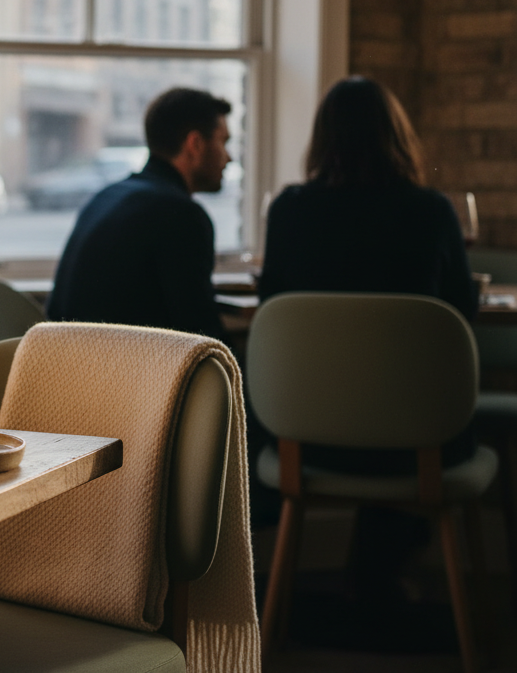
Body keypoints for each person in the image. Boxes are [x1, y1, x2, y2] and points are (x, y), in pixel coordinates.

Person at [258, 75, 479, 608]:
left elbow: (273, 301)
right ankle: (383, 578)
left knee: (366, 402)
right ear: (395, 136)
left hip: (305, 439)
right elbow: (460, 316)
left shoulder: (290, 210)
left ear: (322, 138)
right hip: (418, 446)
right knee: (405, 402)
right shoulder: (431, 212)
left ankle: (364, 583)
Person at [45, 87, 233, 343]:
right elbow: (202, 334)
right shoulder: (182, 215)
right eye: (223, 142)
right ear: (195, 144)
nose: (229, 157)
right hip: (133, 376)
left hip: (69, 370)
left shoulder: (106, 196)